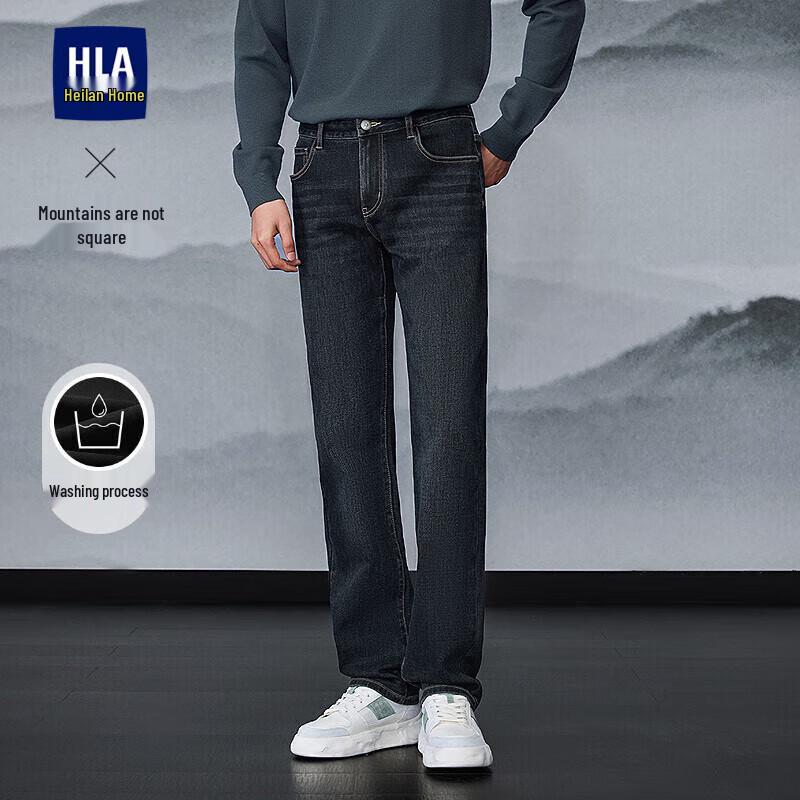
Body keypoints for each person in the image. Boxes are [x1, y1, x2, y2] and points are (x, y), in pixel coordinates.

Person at [233, 0, 584, 769]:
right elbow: (261, 42)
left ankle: (447, 684)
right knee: (347, 434)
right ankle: (380, 683)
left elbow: (558, 5)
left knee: (448, 431)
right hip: (321, 166)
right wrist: (259, 180)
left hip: (437, 153)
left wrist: (511, 126)